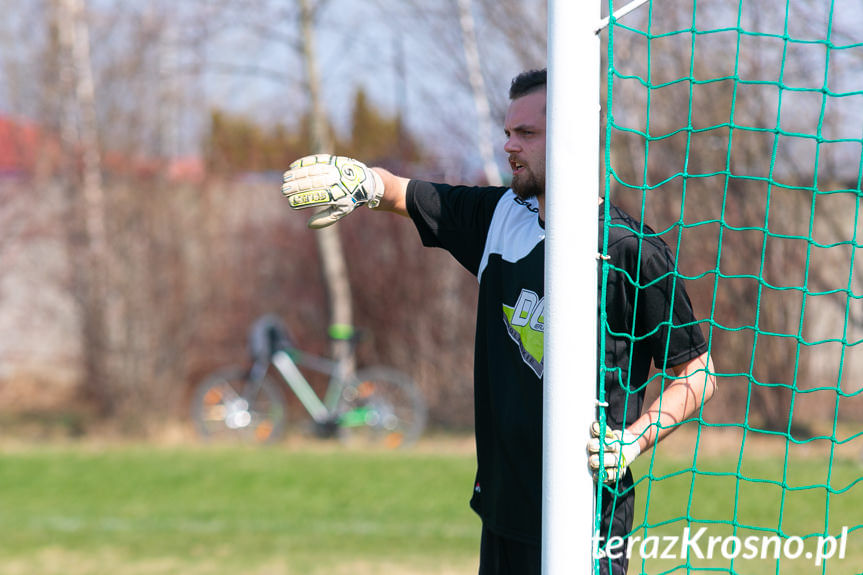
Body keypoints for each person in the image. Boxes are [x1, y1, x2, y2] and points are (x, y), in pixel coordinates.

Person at [282, 68, 717, 575]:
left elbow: (699, 374)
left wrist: (633, 439)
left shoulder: (630, 251)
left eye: (526, 134)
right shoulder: (500, 218)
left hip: (585, 517)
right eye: (508, 131)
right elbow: (404, 193)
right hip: (503, 513)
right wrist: (362, 182)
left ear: (572, 137)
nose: (510, 145)